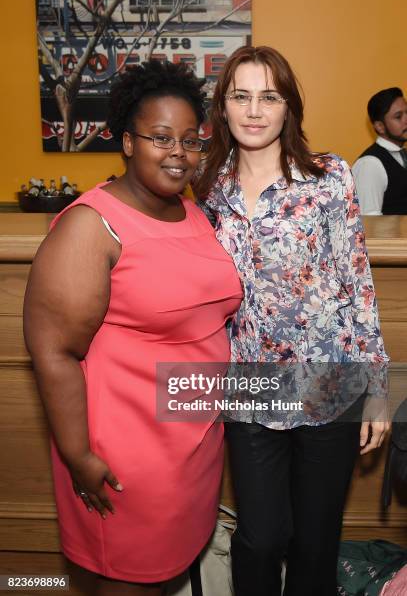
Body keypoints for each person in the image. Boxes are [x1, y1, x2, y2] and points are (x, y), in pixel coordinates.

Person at [23, 60, 242, 596]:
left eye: (191, 141)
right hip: (128, 451)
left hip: (191, 441)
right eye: (160, 137)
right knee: (131, 580)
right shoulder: (89, 225)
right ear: (126, 141)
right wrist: (78, 456)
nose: (179, 153)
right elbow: (54, 350)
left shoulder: (188, 210)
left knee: (167, 573)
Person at [194, 45, 390, 596]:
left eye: (269, 97)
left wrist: (378, 389)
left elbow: (357, 282)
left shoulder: (329, 177)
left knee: (316, 540)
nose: (254, 111)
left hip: (332, 381)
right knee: (259, 536)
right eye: (241, 97)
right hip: (253, 386)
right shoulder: (207, 187)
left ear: (288, 107)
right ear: (224, 108)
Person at [352, 87, 407, 214]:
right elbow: (369, 223)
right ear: (380, 127)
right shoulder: (370, 164)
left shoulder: (402, 155)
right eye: (398, 117)